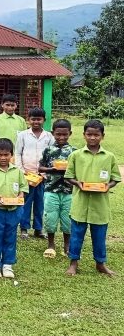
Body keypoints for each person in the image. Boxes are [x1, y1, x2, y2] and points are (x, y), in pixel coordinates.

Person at [64, 119, 120, 277]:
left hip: (100, 205)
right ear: (84, 135)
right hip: (80, 203)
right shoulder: (76, 155)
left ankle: (100, 263)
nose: (93, 138)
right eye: (89, 134)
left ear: (103, 136)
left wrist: (108, 186)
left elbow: (115, 178)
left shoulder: (109, 157)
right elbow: (68, 177)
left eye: (96, 135)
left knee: (100, 237)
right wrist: (78, 183)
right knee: (76, 236)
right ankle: (73, 263)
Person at [0, 138, 27, 279]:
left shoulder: (17, 171)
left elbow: (23, 188)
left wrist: (19, 197)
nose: (3, 158)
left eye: (6, 155)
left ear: (11, 155)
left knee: (10, 236)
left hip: (14, 210)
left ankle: (8, 264)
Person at [38, 119, 75, 258]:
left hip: (68, 190)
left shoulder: (74, 152)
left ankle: (67, 245)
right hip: (50, 189)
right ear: (53, 133)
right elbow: (40, 167)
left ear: (70, 134)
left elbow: (77, 169)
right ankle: (51, 244)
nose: (61, 137)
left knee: (67, 218)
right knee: (50, 216)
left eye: (65, 135)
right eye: (58, 134)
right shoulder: (48, 150)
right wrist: (51, 169)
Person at [15, 107, 53, 239]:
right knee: (25, 202)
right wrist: (22, 171)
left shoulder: (48, 136)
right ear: (28, 120)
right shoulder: (22, 135)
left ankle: (38, 229)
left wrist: (46, 174)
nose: (36, 122)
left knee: (40, 204)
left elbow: (51, 156)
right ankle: (24, 228)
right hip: (27, 175)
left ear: (44, 120)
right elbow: (18, 153)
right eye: (33, 119)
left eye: (39, 119)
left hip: (42, 177)